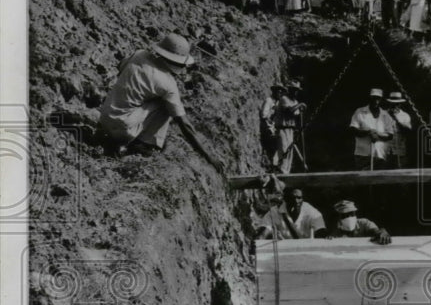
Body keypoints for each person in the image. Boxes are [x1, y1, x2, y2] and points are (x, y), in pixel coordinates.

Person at [98, 32, 224, 173]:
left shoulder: (139, 54)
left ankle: (117, 140)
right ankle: (143, 146)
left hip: (105, 118)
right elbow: (185, 126)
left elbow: (121, 68)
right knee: (166, 105)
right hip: (123, 129)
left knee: (150, 97)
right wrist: (209, 157)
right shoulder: (168, 84)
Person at [255, 186, 326, 240]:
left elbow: (321, 232)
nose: (296, 201)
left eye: (299, 198)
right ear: (285, 199)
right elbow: (264, 232)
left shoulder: (312, 212)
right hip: (285, 251)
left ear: (302, 199)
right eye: (292, 198)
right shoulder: (274, 212)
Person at [349, 88, 395, 170]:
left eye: (378, 98)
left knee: (379, 180)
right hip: (362, 154)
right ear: (370, 98)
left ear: (381, 100)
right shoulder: (359, 112)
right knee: (362, 179)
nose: (376, 101)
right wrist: (368, 132)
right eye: (374, 98)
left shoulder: (385, 115)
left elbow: (390, 135)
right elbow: (353, 129)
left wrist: (377, 134)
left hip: (380, 154)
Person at [274, 79, 307, 173]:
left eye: (297, 90)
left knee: (290, 153)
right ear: (289, 90)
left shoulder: (295, 101)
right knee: (284, 151)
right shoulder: (284, 99)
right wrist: (300, 105)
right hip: (282, 129)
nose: (295, 92)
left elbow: (295, 115)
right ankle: (282, 172)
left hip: (290, 130)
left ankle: (286, 173)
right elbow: (289, 111)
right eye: (293, 90)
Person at [325, 199, 391, 244]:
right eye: (345, 215)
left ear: (355, 214)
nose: (349, 217)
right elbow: (331, 241)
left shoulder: (364, 223)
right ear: (339, 218)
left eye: (352, 214)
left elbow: (377, 231)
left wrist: (382, 231)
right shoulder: (336, 231)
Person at [259, 83, 284, 170]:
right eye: (278, 92)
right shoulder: (268, 101)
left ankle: (275, 165)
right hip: (267, 128)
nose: (280, 94)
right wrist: (272, 118)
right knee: (273, 145)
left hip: (274, 127)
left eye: (281, 93)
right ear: (274, 92)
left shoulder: (277, 102)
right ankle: (270, 165)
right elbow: (264, 116)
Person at [384, 91, 412, 168]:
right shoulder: (383, 114)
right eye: (392, 103)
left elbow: (408, 130)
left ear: (400, 104)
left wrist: (396, 119)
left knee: (400, 174)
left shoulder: (404, 115)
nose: (394, 106)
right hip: (385, 151)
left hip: (400, 151)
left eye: (397, 104)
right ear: (389, 103)